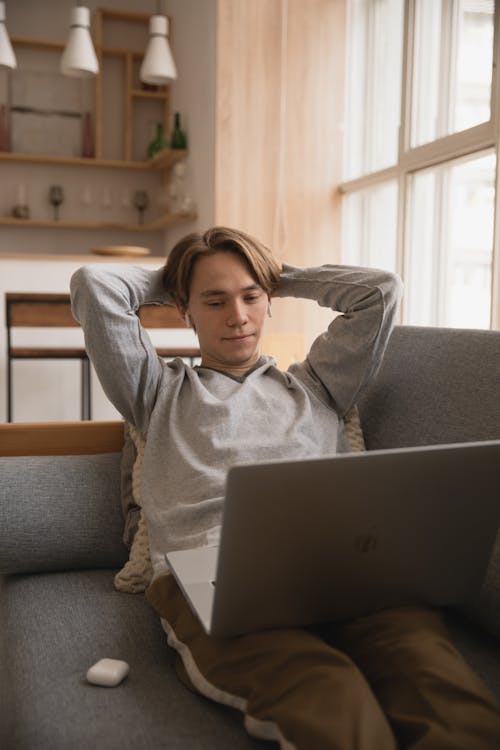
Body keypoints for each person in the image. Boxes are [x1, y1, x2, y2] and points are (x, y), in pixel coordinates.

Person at [71, 226, 500, 750]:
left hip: (344, 569)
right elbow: (95, 285)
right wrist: (177, 278)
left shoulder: (317, 385)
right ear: (184, 309)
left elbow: (380, 290)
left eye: (252, 297)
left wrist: (276, 276)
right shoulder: (157, 391)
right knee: (326, 695)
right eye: (215, 300)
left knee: (439, 688)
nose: (239, 316)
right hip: (218, 576)